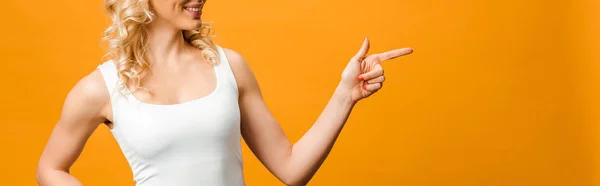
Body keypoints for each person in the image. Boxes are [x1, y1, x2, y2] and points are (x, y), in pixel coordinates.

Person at [35, 0, 413, 185]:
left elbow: (291, 168)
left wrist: (345, 94)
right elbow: (49, 168)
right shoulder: (100, 88)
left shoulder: (229, 66)